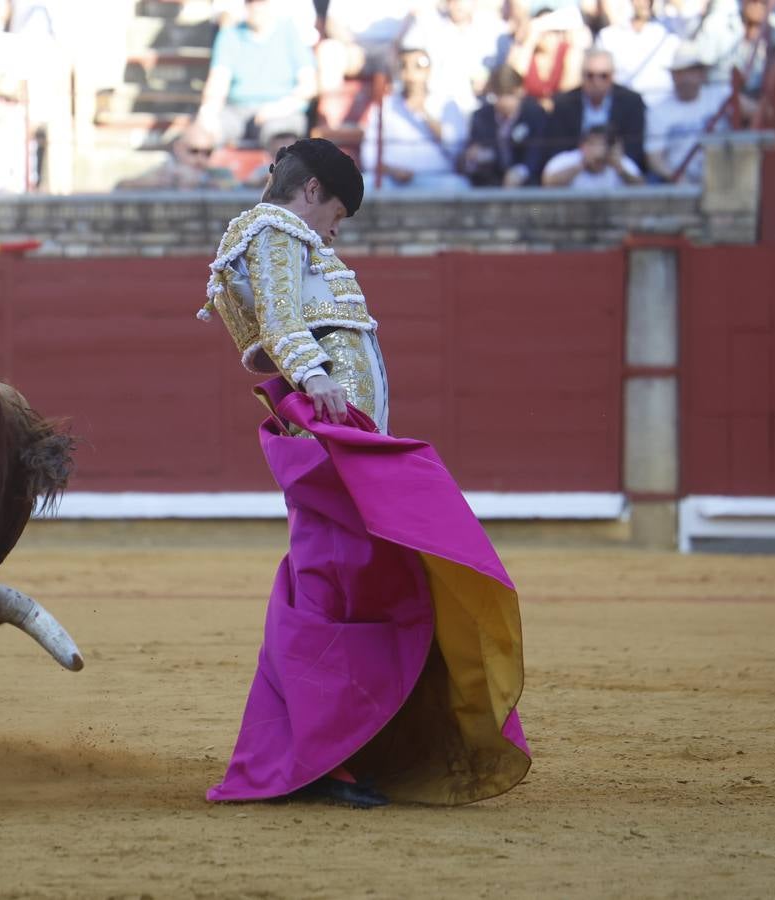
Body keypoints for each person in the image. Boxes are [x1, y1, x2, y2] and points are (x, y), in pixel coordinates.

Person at [197, 138, 529, 808]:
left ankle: (342, 746)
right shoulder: (274, 228)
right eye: (337, 215)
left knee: (349, 577)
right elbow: (281, 326)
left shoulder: (272, 236)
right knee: (345, 582)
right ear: (312, 191)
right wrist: (315, 377)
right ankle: (329, 754)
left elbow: (266, 338)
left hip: (345, 435)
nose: (334, 231)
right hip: (334, 436)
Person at [198, 0, 316, 147]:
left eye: (261, 2)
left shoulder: (290, 30)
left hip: (283, 112)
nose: (256, 7)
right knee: (200, 137)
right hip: (236, 111)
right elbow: (218, 81)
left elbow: (309, 85)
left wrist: (280, 108)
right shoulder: (230, 33)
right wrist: (208, 114)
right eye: (250, 2)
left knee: (281, 138)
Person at [524, 47, 646, 183]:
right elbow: (556, 150)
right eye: (590, 75)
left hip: (616, 169)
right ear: (582, 76)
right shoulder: (564, 103)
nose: (596, 82)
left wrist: (611, 157)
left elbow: (635, 151)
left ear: (612, 76)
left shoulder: (631, 102)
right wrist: (585, 157)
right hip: (574, 170)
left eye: (603, 76)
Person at [360, 45, 470, 190]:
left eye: (418, 66)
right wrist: (393, 171)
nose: (411, 74)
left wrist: (423, 112)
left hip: (438, 178)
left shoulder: (447, 104)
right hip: (393, 181)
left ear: (429, 70)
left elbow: (457, 149)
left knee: (460, 186)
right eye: (404, 67)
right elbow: (369, 156)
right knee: (365, 185)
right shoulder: (384, 106)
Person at [644, 42, 730, 184]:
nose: (685, 78)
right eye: (679, 73)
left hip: (723, 176)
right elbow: (654, 158)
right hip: (679, 181)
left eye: (690, 71)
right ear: (672, 76)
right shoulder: (658, 111)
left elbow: (752, 110)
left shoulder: (721, 95)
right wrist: (676, 178)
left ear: (702, 74)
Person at [461, 64, 549, 187]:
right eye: (498, 94)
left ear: (520, 91)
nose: (503, 101)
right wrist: (474, 157)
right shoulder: (481, 117)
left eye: (508, 94)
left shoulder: (534, 114)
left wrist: (521, 171)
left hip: (529, 186)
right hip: (489, 185)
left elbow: (538, 151)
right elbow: (471, 154)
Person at [114, 120, 237, 191]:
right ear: (178, 148)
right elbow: (121, 185)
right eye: (193, 151)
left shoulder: (220, 174)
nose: (200, 158)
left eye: (207, 153)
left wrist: (203, 182)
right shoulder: (162, 170)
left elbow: (237, 188)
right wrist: (156, 182)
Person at [541, 122, 644, 186]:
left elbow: (641, 189)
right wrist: (582, 164)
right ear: (582, 145)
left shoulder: (621, 163)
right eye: (593, 144)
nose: (598, 149)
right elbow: (548, 184)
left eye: (603, 144)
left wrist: (619, 168)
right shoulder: (566, 160)